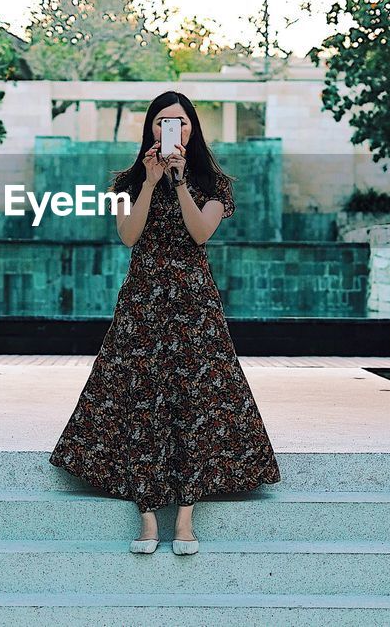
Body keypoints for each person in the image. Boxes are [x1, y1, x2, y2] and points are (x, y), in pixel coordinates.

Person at [48, 92, 281, 556]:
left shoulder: (213, 183)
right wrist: (151, 183)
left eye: (179, 123)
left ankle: (187, 520)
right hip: (143, 301)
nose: (170, 130)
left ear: (192, 129)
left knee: (196, 400)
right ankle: (148, 519)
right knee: (139, 400)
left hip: (194, 304)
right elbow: (128, 235)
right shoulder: (126, 181)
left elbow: (199, 233)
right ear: (149, 129)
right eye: (161, 122)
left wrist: (177, 183)